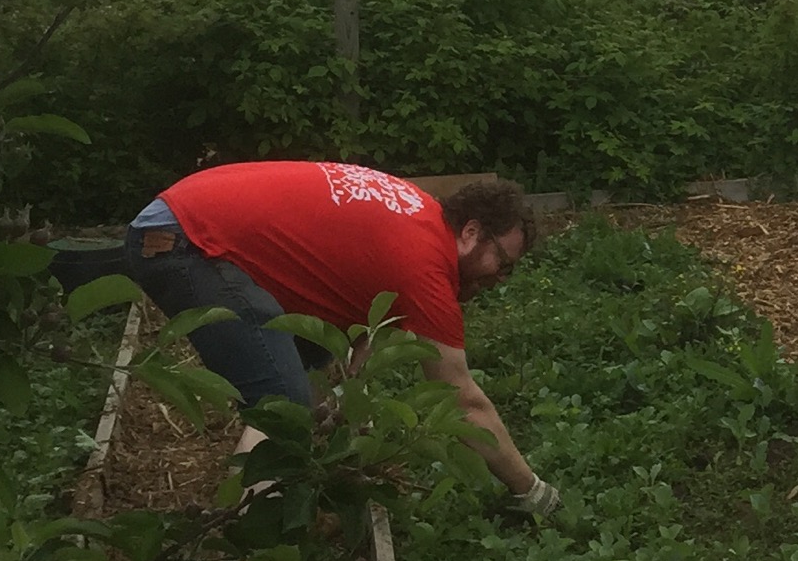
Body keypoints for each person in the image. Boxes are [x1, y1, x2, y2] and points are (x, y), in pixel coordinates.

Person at [121, 162, 554, 515]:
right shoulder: (425, 267)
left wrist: (345, 404)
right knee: (283, 405)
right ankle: (246, 547)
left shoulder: (417, 217)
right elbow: (463, 401)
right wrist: (531, 490)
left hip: (185, 213)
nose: (500, 278)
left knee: (305, 366)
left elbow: (361, 326)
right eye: (502, 262)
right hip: (184, 240)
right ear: (472, 233)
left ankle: (279, 481)